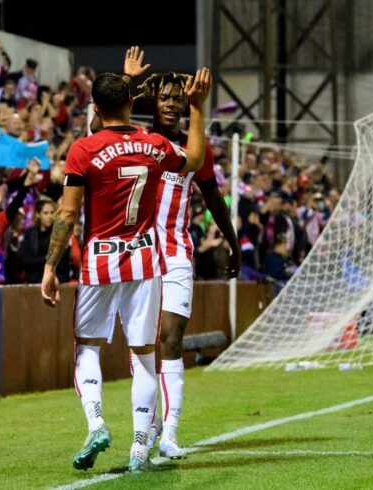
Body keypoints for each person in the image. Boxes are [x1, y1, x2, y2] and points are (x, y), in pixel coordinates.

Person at [40, 64, 212, 472]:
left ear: (96, 108)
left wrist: (50, 266)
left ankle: (97, 422)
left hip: (100, 261)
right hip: (144, 259)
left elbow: (67, 214)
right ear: (134, 103)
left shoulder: (84, 149)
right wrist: (197, 107)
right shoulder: (153, 144)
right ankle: (140, 447)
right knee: (145, 356)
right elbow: (195, 160)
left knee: (87, 348)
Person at [127, 60, 240, 457]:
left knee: (170, 338)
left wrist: (233, 241)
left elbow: (212, 196)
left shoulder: (195, 150)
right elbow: (96, 128)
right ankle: (147, 424)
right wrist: (127, 79)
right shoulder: (137, 141)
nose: (172, 104)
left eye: (178, 99)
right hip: (139, 255)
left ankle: (170, 434)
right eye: (165, 98)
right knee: (143, 344)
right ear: (153, 102)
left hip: (176, 254)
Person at [17, 197, 71, 283]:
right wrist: (46, 259)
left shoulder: (60, 234)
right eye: (46, 213)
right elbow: (23, 260)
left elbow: (61, 262)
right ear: (38, 214)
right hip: (34, 281)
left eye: (52, 213)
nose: (50, 216)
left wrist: (38, 261)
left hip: (57, 280)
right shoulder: (30, 234)